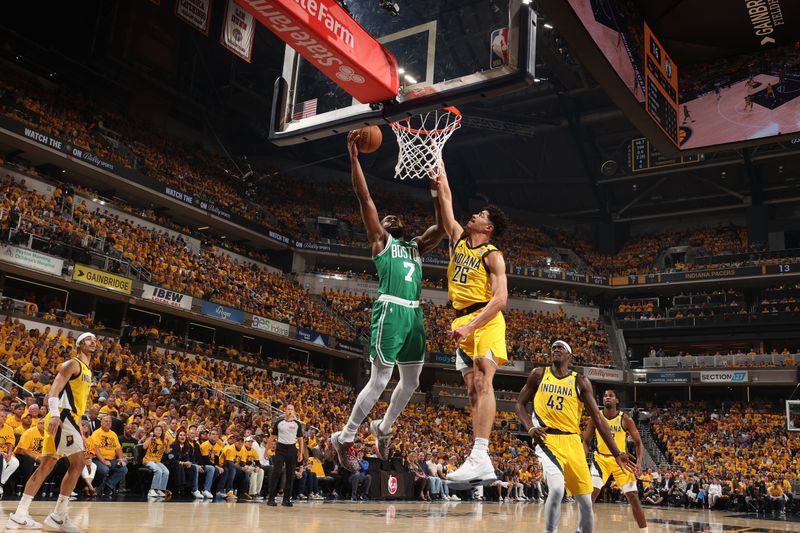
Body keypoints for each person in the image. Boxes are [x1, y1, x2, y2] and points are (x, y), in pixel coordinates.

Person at [331, 130, 445, 469]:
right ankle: (346, 436)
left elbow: (441, 226)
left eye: (395, 218)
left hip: (414, 315)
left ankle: (383, 427)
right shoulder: (382, 242)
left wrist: (437, 188)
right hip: (391, 309)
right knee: (380, 377)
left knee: (412, 381)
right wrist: (354, 159)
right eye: (386, 218)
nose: (390, 218)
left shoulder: (416, 246)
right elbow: (364, 198)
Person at [435, 162, 509, 485]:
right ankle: (482, 464)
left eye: (481, 215)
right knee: (471, 393)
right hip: (461, 318)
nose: (474, 215)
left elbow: (500, 300)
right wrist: (437, 159)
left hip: (487, 319)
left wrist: (470, 327)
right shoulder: (457, 238)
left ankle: (480, 454)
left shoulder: (493, 255)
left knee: (482, 380)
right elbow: (446, 197)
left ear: (488, 227)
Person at [515, 340, 635, 533]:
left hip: (572, 442)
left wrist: (617, 452)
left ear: (569, 356)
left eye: (561, 348)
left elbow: (598, 418)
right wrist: (529, 428)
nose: (556, 349)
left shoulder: (579, 381)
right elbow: (519, 404)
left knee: (586, 503)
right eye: (553, 347)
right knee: (555, 489)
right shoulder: (539, 374)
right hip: (548, 439)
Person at [7, 331, 96, 532]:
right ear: (79, 344)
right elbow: (53, 391)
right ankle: (58, 515)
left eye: (95, 340)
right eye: (89, 339)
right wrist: (55, 414)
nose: (94, 342)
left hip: (71, 418)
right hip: (63, 416)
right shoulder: (72, 364)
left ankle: (20, 515)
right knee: (79, 462)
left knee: (46, 465)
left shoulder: (88, 370)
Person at [582, 389, 648, 532]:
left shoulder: (625, 419)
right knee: (591, 494)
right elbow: (586, 441)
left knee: (634, 498)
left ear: (617, 400)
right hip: (601, 459)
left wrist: (638, 463)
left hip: (621, 462)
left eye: (611, 396)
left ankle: (645, 531)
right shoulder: (595, 418)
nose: (607, 398)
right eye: (605, 395)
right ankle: (582, 529)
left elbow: (638, 442)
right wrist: (582, 460)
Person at [266, 405, 304, 507]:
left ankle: (286, 499)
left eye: (292, 409)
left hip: (292, 449)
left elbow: (300, 440)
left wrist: (300, 452)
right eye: (288, 409)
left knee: (290, 474)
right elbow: (272, 438)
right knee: (276, 471)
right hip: (280, 448)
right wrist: (266, 451)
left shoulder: (297, 424)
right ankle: (271, 498)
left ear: (294, 411)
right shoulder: (279, 423)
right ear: (285, 411)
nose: (290, 411)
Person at [90, 415, 128, 496]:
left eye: (109, 421)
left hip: (112, 460)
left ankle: (107, 486)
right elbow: (95, 449)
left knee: (123, 469)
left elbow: (118, 448)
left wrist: (121, 459)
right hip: (98, 459)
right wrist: (103, 461)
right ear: (101, 422)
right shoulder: (96, 433)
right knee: (104, 470)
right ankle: (97, 486)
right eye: (106, 421)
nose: (108, 423)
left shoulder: (113, 434)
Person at [140, 425, 169, 498]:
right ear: (153, 431)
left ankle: (160, 489)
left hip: (157, 461)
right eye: (156, 430)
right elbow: (144, 446)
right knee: (158, 470)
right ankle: (152, 490)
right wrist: (150, 437)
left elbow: (167, 452)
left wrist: (168, 443)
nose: (159, 431)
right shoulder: (150, 438)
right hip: (148, 460)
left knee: (166, 472)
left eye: (160, 430)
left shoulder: (163, 440)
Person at [0, 410, 20, 496]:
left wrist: (9, 454)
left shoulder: (8, 428)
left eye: (5, 417)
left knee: (15, 463)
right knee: (3, 463)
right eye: (2, 416)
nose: (4, 418)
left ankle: (1, 483)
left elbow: (10, 443)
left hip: (4, 452)